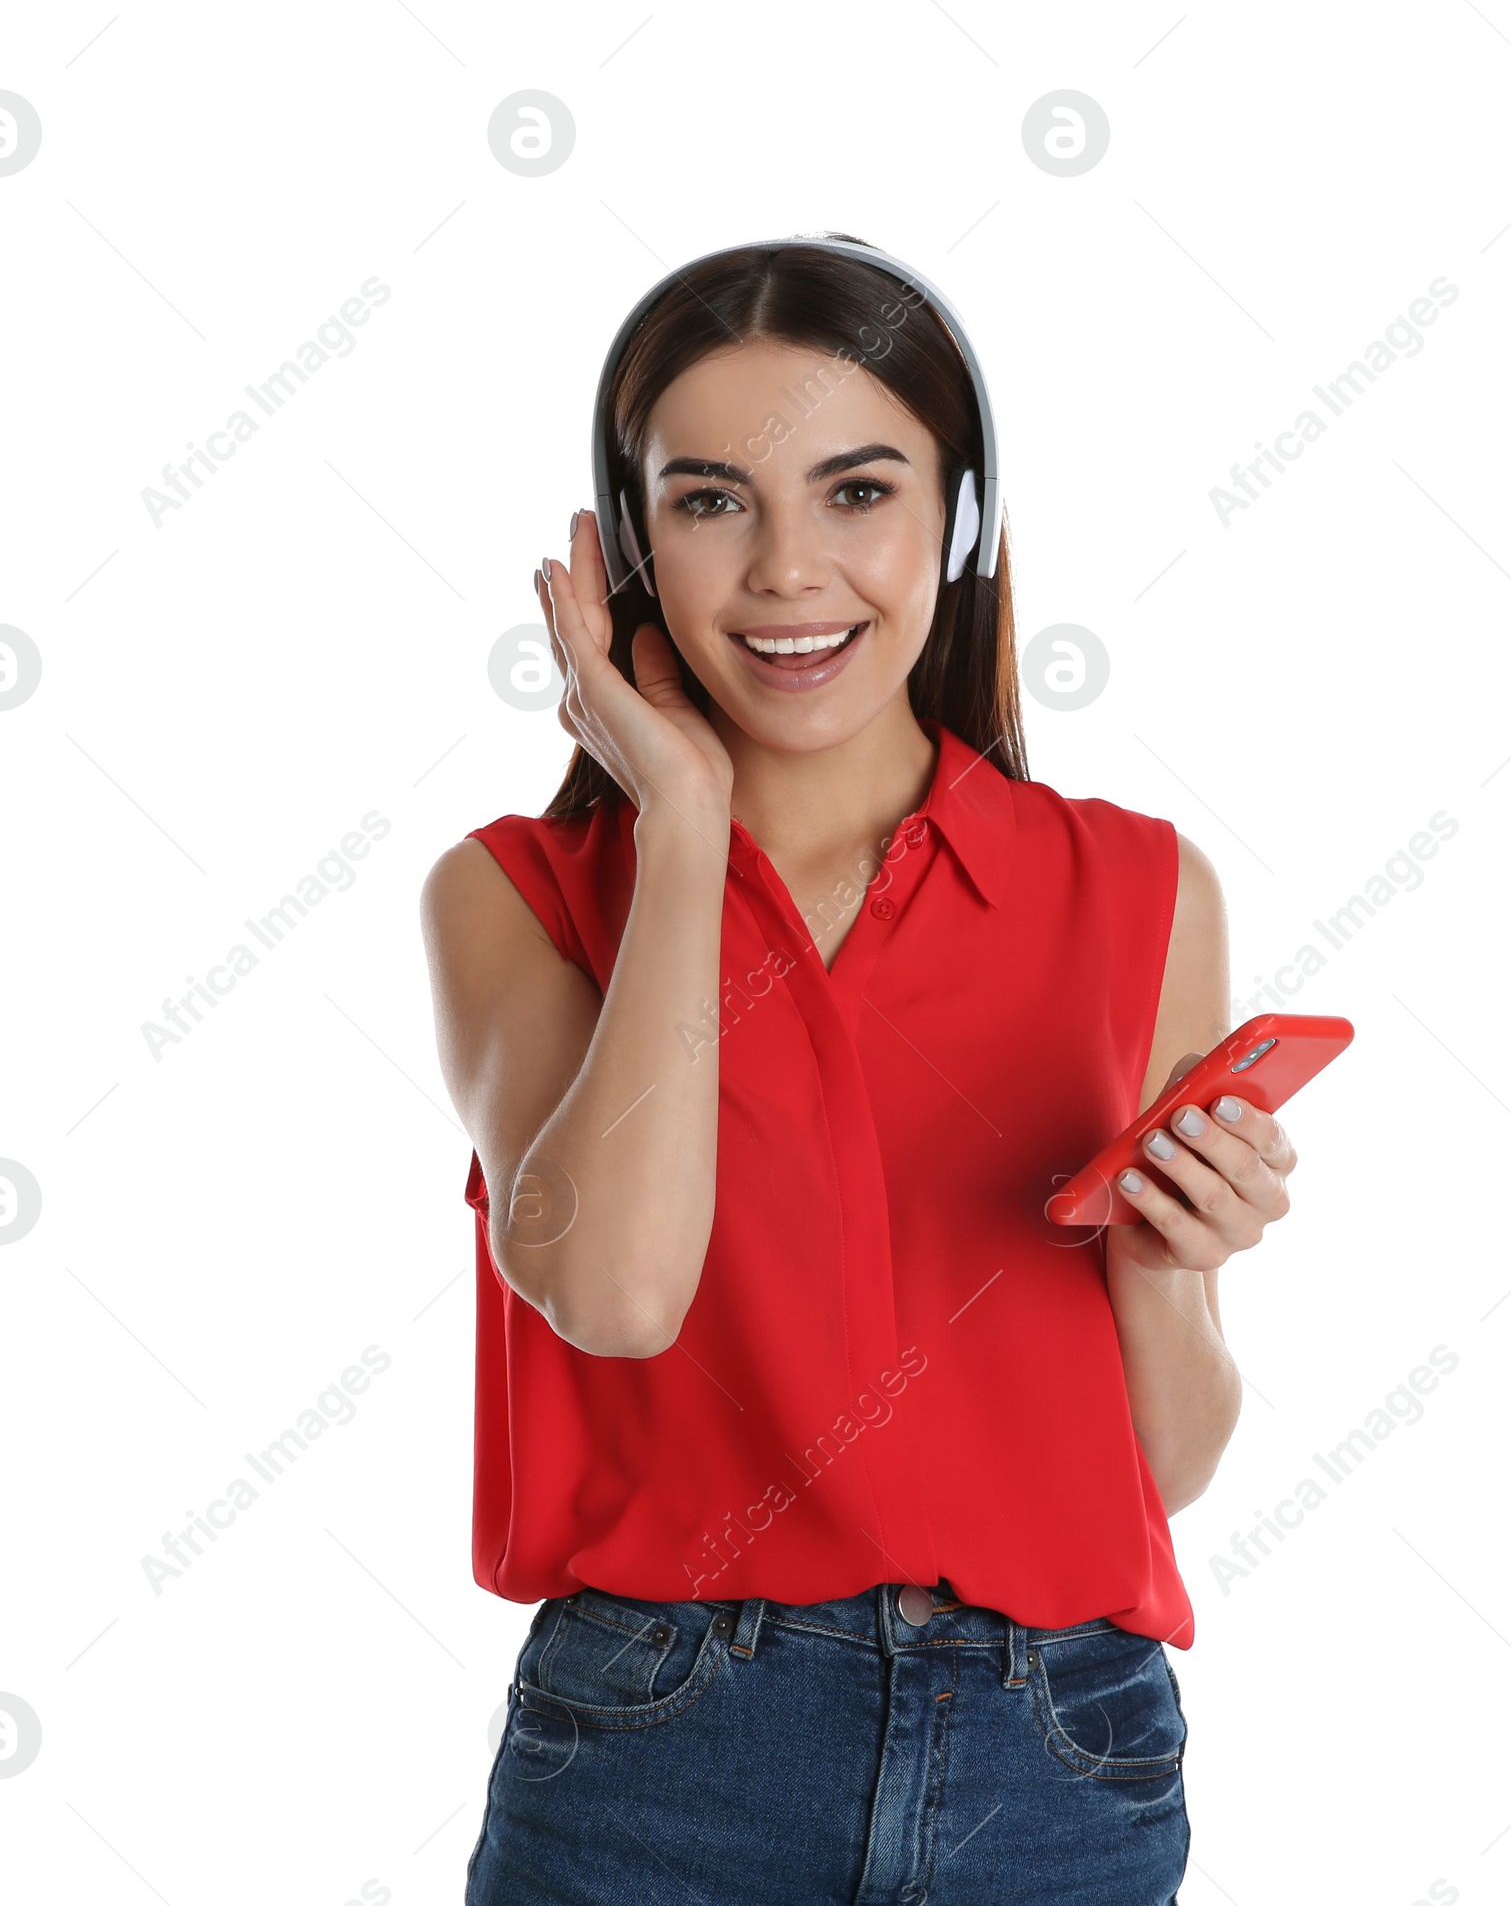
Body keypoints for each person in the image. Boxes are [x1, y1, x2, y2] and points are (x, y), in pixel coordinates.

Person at [420, 234, 1300, 1905]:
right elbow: (612, 1291)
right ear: (626, 549)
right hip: (659, 1756)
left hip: (1060, 1764)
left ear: (957, 522)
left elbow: (1165, 1463)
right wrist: (679, 831)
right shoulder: (516, 898)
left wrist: (1166, 1263)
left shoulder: (1141, 891)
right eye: (709, 499)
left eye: (857, 491)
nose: (786, 572)